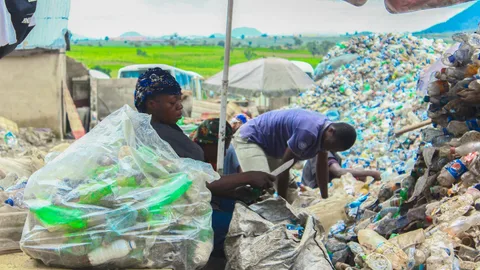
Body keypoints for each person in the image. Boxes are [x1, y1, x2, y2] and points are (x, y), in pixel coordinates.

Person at [133, 68, 275, 264]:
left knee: (250, 212)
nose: (179, 107)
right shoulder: (153, 137)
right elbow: (197, 181)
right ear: (151, 104)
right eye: (172, 103)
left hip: (195, 204)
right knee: (251, 228)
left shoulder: (166, 129)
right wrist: (248, 176)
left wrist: (235, 192)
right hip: (176, 219)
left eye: (179, 101)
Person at [232, 109, 357, 199]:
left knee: (291, 191)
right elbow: (284, 168)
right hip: (251, 138)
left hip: (271, 146)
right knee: (262, 188)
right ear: (331, 131)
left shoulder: (326, 134)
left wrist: (325, 197)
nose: (328, 149)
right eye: (331, 146)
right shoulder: (308, 132)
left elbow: (321, 165)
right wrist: (282, 202)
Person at [302, 153, 381, 189]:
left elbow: (337, 175)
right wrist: (371, 173)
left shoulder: (334, 155)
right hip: (312, 191)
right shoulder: (323, 153)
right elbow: (338, 172)